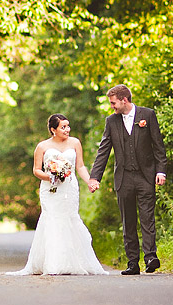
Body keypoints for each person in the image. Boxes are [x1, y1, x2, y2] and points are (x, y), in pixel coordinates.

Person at [6, 114, 108, 276]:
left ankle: (75, 262)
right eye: (63, 127)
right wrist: (50, 176)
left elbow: (80, 166)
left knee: (69, 218)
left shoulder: (75, 143)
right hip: (50, 190)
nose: (67, 130)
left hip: (69, 188)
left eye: (68, 126)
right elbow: (36, 170)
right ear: (53, 130)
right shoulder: (42, 146)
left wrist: (90, 181)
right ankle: (53, 263)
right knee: (52, 219)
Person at [88, 84, 167, 275]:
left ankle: (150, 257)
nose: (112, 106)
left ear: (124, 100)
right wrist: (94, 177)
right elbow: (103, 151)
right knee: (128, 221)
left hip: (145, 176)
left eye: (114, 103)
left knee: (147, 218)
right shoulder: (111, 121)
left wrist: (161, 171)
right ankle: (133, 262)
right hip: (123, 178)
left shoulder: (147, 115)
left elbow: (158, 146)